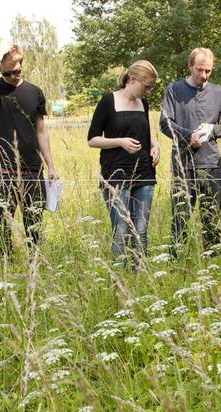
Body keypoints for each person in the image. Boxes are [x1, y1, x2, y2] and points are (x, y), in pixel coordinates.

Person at [0, 40, 58, 256]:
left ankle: (35, 265)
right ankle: (5, 266)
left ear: (22, 65)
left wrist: (50, 165)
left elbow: (41, 130)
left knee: (34, 224)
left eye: (15, 71)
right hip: (2, 170)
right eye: (6, 73)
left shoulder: (35, 92)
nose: (12, 76)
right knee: (3, 224)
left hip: (32, 169)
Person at [87, 60, 161, 270]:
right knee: (121, 229)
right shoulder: (108, 101)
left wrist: (155, 146)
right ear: (133, 79)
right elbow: (92, 139)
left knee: (141, 229)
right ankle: (120, 276)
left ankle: (140, 273)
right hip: (116, 174)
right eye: (146, 86)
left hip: (144, 173)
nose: (148, 91)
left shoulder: (143, 104)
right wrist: (119, 142)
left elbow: (145, 133)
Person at [159, 47, 221, 255]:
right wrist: (187, 135)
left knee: (211, 218)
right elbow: (165, 123)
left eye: (208, 71)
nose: (203, 75)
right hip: (183, 165)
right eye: (199, 70)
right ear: (190, 66)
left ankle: (213, 262)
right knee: (180, 219)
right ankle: (177, 261)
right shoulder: (174, 90)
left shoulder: (218, 93)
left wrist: (212, 131)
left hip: (210, 165)